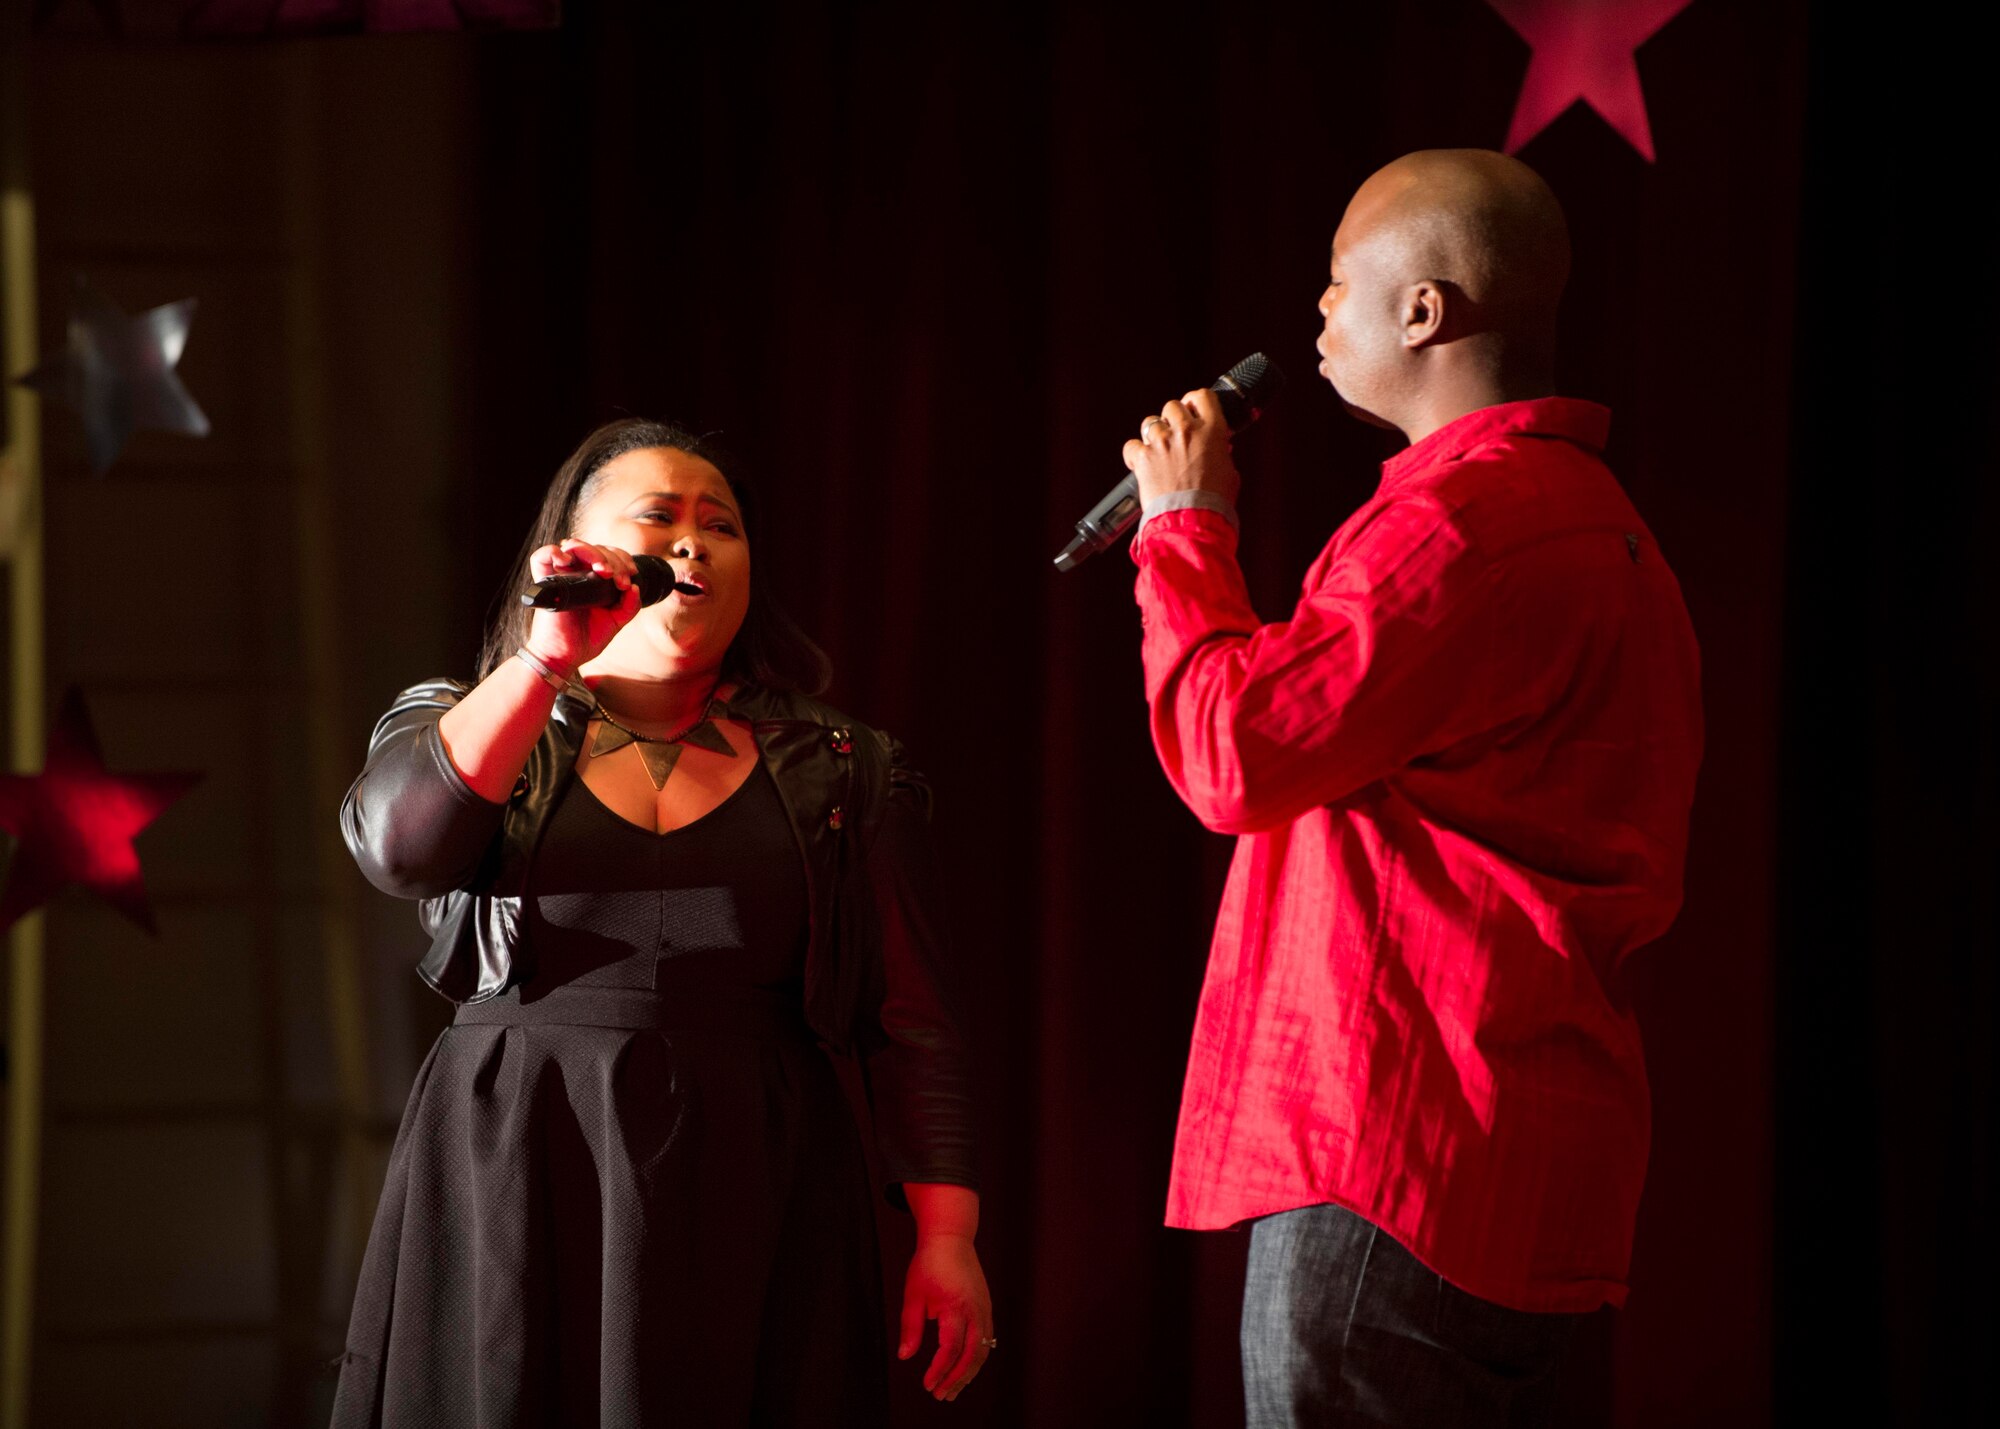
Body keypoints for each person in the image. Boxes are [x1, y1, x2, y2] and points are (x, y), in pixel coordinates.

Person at [1119, 149, 1703, 1426]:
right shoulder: (1608, 532)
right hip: (1522, 1154)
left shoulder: (1460, 522)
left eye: (1337, 283)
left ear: (1421, 308)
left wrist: (1182, 527)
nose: (1318, 314)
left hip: (1396, 1142)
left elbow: (1235, 755)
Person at [329, 418, 993, 1425]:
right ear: (577, 548)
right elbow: (397, 849)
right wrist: (545, 658)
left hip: (758, 1171)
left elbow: (910, 1016)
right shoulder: (472, 718)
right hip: (518, 1159)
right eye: (658, 518)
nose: (692, 542)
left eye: (719, 524)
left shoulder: (847, 768)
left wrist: (947, 1236)